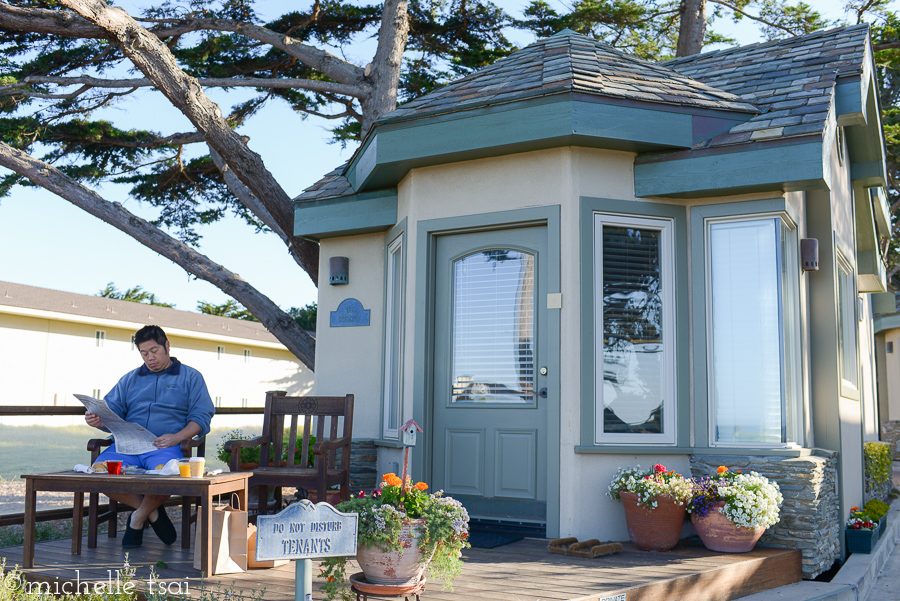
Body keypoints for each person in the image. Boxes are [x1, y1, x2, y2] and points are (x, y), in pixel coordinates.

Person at [85, 325, 215, 549]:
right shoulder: (129, 379)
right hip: (126, 446)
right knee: (99, 475)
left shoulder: (191, 377)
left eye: (154, 351)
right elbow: (111, 411)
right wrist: (99, 421)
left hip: (165, 446)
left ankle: (136, 519)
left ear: (167, 346)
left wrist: (176, 437)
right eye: (144, 354)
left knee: (167, 475)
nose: (150, 358)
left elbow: (201, 417)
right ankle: (152, 512)